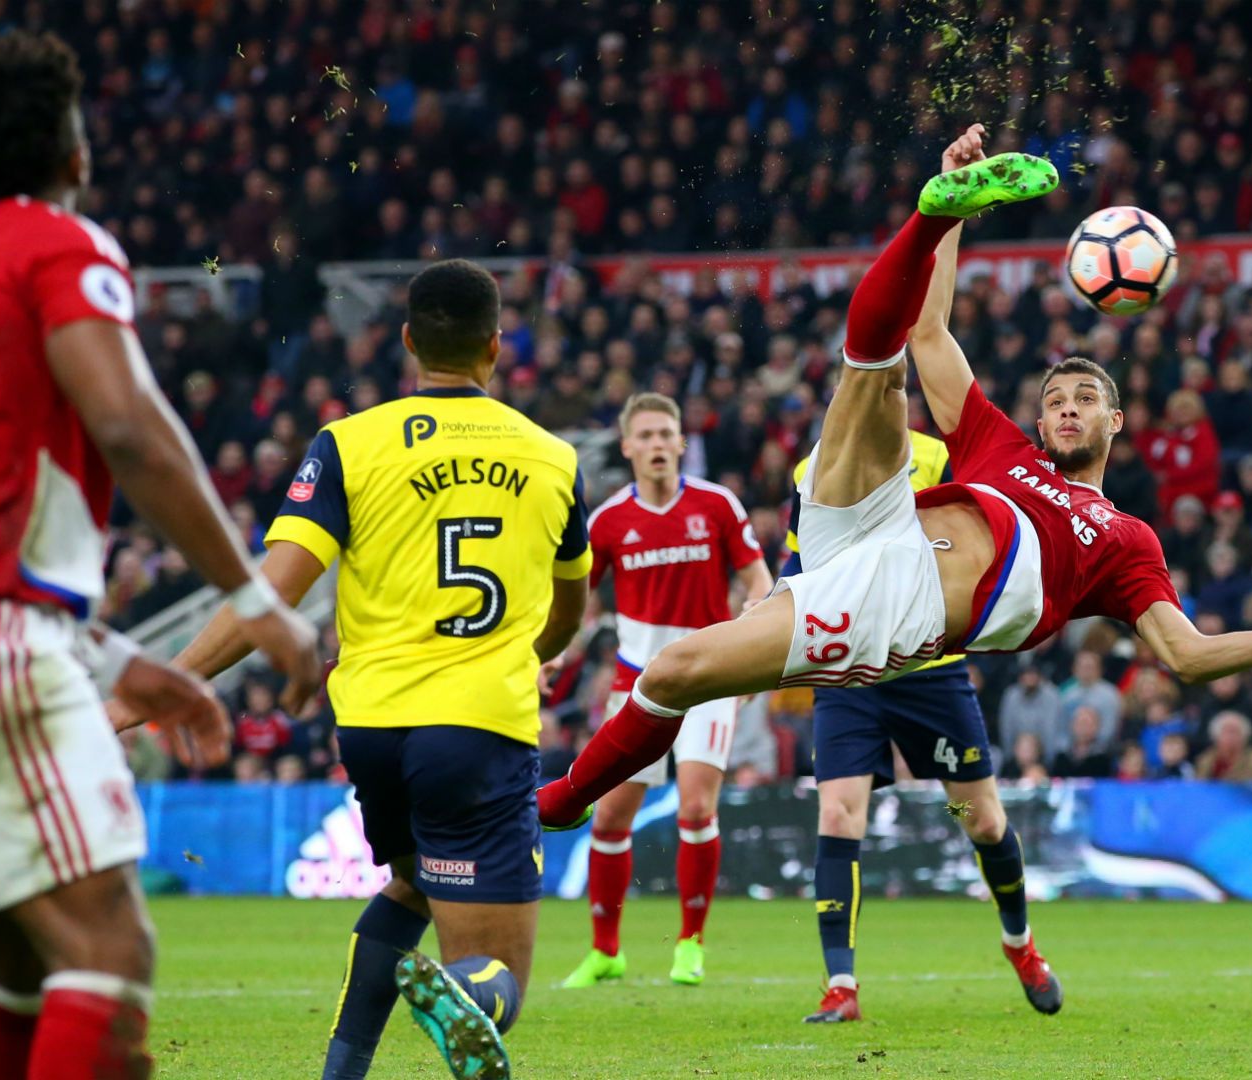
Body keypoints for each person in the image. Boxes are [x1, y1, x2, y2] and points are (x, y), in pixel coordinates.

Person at [535, 124, 1252, 834]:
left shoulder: (1125, 540)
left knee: (675, 672)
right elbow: (934, 331)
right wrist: (953, 219)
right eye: (1055, 396)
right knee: (881, 369)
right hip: (872, 526)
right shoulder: (1002, 447)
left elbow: (1187, 656)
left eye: (1085, 397)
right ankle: (927, 215)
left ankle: (562, 803)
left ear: (1115, 422)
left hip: (894, 606)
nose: (1065, 406)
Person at [0, 32, 320, 1080]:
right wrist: (253, 596)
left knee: (17, 959)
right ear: (74, 151)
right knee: (109, 949)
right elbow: (134, 430)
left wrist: (105, 660)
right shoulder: (59, 245)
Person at [166, 260, 592, 1079]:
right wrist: (527, 653)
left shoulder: (347, 444)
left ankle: (342, 1069)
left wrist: (178, 678)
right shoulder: (553, 458)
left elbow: (274, 590)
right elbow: (569, 613)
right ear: (496, 349)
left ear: (406, 342)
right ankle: (469, 997)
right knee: (501, 978)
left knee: (412, 882)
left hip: (371, 730)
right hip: (478, 726)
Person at [783, 426, 1053, 1023]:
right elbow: (798, 562)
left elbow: (973, 542)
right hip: (850, 672)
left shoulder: (934, 456)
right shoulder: (812, 470)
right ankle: (841, 986)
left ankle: (1020, 945)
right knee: (838, 813)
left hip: (930, 669)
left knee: (976, 818)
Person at [560, 393, 771, 991]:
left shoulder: (716, 506)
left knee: (697, 807)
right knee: (608, 819)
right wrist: (554, 656)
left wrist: (754, 621)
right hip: (635, 683)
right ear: (627, 447)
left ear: (681, 443)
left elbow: (757, 577)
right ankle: (606, 951)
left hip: (708, 677)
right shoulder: (607, 522)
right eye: (645, 435)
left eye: (665, 434)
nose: (656, 445)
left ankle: (690, 945)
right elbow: (581, 605)